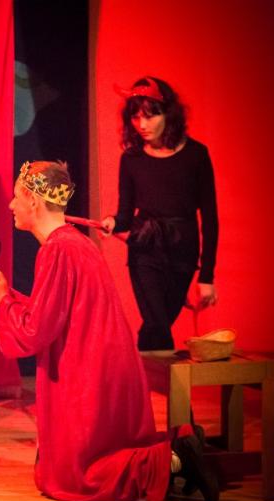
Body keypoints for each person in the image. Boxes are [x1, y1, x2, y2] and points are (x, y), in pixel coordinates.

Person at [0, 160, 219, 501]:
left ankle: (174, 459)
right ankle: (177, 455)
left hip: (88, 378)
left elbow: (36, 330)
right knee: (54, 474)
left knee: (79, 478)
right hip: (100, 370)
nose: (11, 205)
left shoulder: (58, 250)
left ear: (34, 201)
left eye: (16, 196)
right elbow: (54, 313)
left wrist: (2, 300)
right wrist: (7, 295)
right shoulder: (73, 244)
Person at [100, 77, 219, 352]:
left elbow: (210, 219)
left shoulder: (196, 155)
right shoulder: (131, 159)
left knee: (155, 327)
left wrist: (207, 276)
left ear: (168, 114)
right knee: (158, 324)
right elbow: (125, 215)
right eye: (136, 117)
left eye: (150, 116)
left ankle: (138, 374)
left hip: (183, 252)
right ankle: (172, 382)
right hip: (145, 248)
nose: (142, 124)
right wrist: (113, 221)